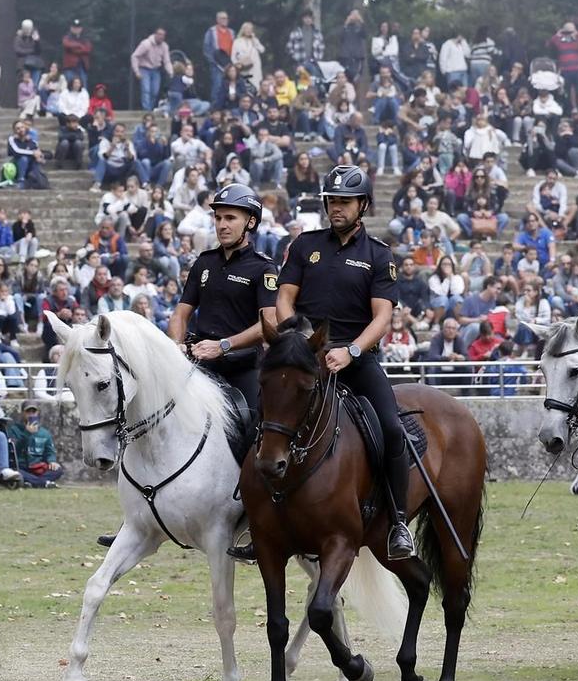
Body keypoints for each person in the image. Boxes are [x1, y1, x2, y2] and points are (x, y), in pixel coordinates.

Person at [273, 164, 415, 560]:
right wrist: (296, 335)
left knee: (391, 429)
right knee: (263, 419)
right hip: (306, 357)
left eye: (344, 202)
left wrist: (350, 350)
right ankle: (257, 515)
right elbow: (285, 296)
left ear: (363, 205)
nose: (336, 208)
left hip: (356, 358)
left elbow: (383, 317)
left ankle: (399, 522)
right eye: (331, 201)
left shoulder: (378, 255)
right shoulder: (304, 246)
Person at [166, 183, 280, 555]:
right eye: (217, 217)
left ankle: (257, 518)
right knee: (154, 417)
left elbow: (269, 323)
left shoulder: (263, 269)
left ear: (250, 222)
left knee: (252, 430)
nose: (221, 224)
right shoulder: (204, 263)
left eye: (230, 217)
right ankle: (139, 513)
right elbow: (181, 314)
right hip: (199, 364)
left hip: (239, 368)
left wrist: (225, 345)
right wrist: (177, 345)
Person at [10, 400, 62, 486]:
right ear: (22, 413)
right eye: (28, 412)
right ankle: (43, 483)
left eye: (33, 412)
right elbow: (14, 450)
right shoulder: (14, 429)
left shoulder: (44, 433)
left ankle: (33, 482)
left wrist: (51, 461)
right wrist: (27, 433)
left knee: (58, 470)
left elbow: (50, 451)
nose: (31, 414)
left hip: (38, 466)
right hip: (21, 466)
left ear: (37, 413)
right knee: (13, 471)